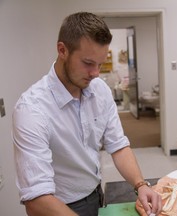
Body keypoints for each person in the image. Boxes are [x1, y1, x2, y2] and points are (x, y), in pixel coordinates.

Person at [12, 12, 162, 216]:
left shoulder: (99, 90)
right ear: (62, 50)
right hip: (57, 206)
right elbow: (37, 199)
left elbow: (117, 145)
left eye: (100, 64)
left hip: (95, 193)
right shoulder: (31, 109)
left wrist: (141, 185)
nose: (96, 73)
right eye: (88, 63)